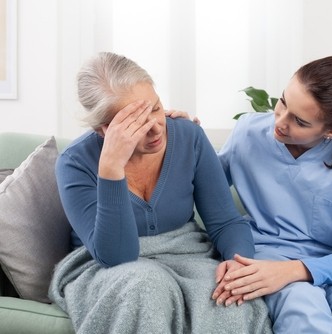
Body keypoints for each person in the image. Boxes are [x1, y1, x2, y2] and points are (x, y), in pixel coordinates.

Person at [48, 52, 272, 334]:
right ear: (104, 130)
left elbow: (226, 221)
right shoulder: (74, 162)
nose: (155, 129)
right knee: (146, 286)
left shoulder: (188, 136)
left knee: (229, 298)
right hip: (102, 265)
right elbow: (115, 256)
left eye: (155, 109)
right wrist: (111, 168)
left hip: (187, 253)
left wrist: (237, 264)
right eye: (137, 123)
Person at [212, 55, 332, 333]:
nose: (280, 122)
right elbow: (203, 188)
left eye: (300, 122)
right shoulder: (248, 132)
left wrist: (294, 270)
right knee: (300, 301)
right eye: (282, 102)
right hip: (269, 257)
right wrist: (182, 135)